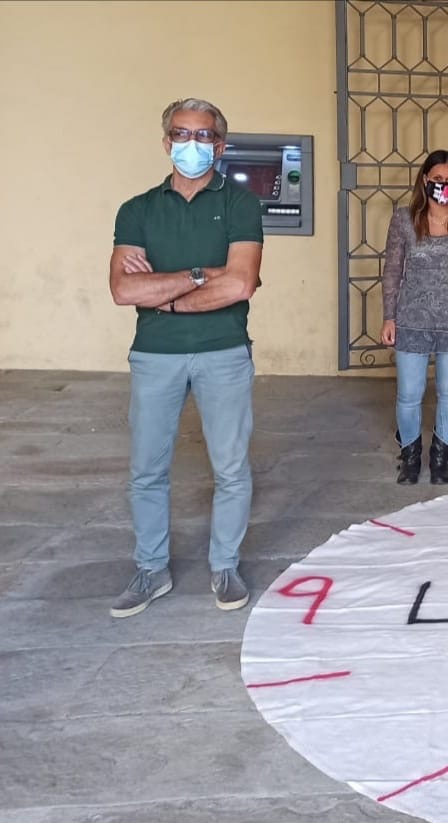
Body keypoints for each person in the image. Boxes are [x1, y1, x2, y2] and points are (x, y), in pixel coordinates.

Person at [107, 98, 264, 618]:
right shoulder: (137, 209)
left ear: (220, 145)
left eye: (203, 136)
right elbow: (123, 291)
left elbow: (242, 283)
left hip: (223, 353)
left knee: (232, 468)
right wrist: (201, 275)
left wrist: (165, 292)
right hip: (156, 356)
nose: (191, 146)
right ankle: (151, 569)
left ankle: (225, 566)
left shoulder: (240, 205)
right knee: (146, 470)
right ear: (166, 141)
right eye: (181, 134)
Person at [381, 150, 448, 485]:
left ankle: (441, 455)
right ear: (424, 180)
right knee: (409, 393)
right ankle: (411, 456)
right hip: (411, 318)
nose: (443, 185)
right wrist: (389, 317)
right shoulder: (404, 219)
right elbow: (392, 270)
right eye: (437, 179)